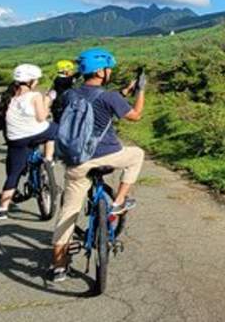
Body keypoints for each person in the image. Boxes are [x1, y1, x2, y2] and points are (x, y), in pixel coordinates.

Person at [50, 47, 145, 282]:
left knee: (68, 213)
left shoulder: (69, 96)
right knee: (137, 155)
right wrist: (140, 91)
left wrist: (124, 91)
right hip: (108, 156)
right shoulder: (109, 97)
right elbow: (135, 115)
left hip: (76, 162)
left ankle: (59, 266)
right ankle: (119, 202)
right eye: (108, 68)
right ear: (102, 72)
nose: (110, 71)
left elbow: (91, 104)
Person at [0, 64, 57, 220]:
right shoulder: (35, 96)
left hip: (16, 139)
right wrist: (48, 100)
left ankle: (2, 209)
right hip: (35, 133)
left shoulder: (9, 96)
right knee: (55, 130)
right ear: (31, 81)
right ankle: (48, 159)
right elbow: (42, 117)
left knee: (13, 173)